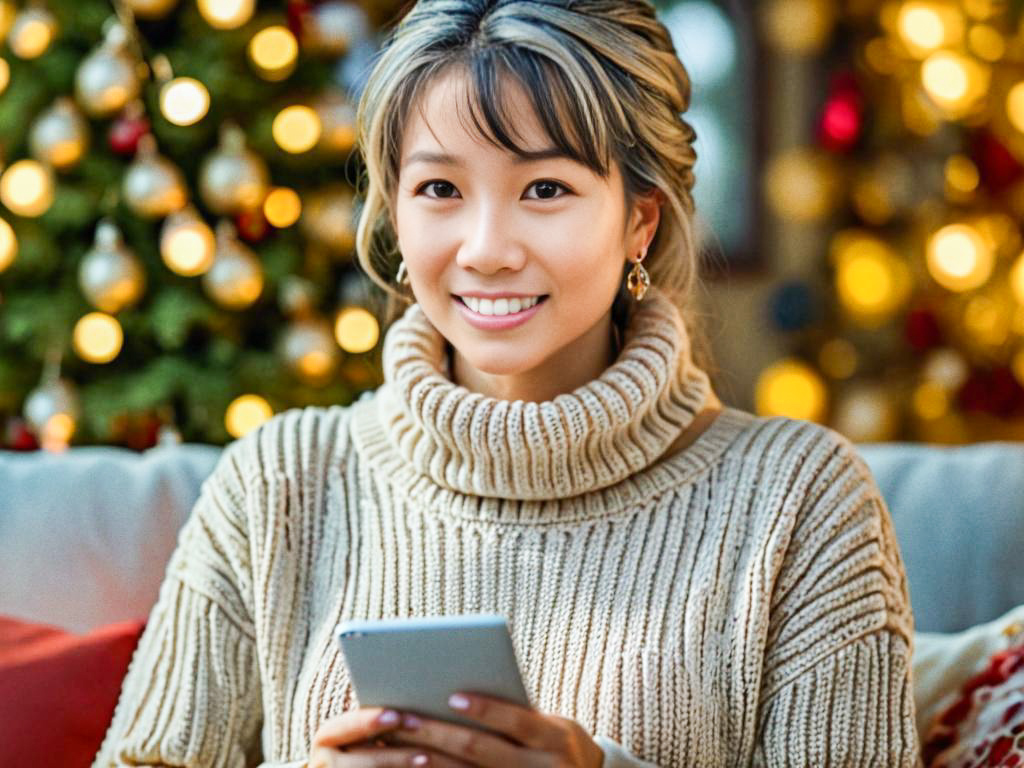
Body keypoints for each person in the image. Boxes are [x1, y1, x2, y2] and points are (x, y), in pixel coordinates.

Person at [93, 1, 922, 766]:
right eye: (440, 189)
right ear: (393, 210)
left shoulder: (801, 501)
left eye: (546, 188)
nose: (487, 247)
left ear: (641, 217)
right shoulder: (278, 484)